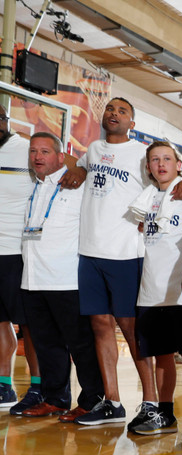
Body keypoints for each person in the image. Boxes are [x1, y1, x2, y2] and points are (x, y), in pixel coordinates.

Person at [62, 98, 182, 427]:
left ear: (132, 122)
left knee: (133, 332)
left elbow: (167, 178)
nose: (114, 114)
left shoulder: (141, 154)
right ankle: (112, 402)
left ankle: (149, 401)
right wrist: (76, 166)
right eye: (110, 109)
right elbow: (78, 163)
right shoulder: (92, 149)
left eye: (122, 111)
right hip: (89, 253)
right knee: (100, 327)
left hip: (125, 254)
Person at [17, 132, 103, 420]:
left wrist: (80, 168)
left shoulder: (78, 185)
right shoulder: (32, 186)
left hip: (67, 281)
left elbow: (99, 166)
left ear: (60, 155)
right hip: (32, 281)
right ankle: (56, 399)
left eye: (44, 151)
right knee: (47, 345)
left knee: (80, 345)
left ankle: (92, 400)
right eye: (33, 151)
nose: (37, 157)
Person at [127, 141, 182, 438]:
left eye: (166, 159)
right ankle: (165, 412)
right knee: (161, 355)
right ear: (148, 167)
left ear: (179, 165)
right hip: (150, 292)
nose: (160, 164)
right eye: (154, 160)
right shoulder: (145, 200)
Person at [0, 104, 41, 413]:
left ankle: (40, 388)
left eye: (0, 117)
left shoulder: (25, 149)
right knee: (0, 324)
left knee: (29, 326)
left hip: (19, 251)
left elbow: (66, 164)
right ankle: (4, 385)